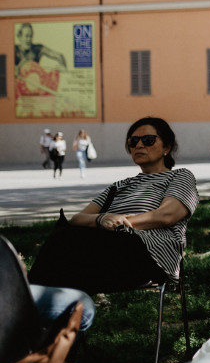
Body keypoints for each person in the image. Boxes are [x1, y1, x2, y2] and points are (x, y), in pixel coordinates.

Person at [28, 117, 199, 294]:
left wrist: (120, 222)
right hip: (108, 249)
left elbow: (167, 215)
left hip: (150, 256)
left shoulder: (180, 176)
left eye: (148, 140)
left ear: (167, 148)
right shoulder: (119, 186)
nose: (139, 145)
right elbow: (78, 218)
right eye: (133, 141)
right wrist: (103, 218)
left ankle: (26, 299)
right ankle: (37, 303)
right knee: (63, 242)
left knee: (63, 245)